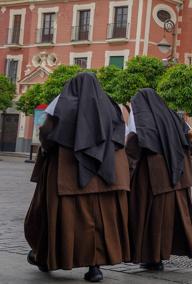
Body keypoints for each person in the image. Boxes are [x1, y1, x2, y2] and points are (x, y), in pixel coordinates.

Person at [24, 72, 130, 282]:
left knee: (59, 217)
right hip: (104, 177)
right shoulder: (111, 107)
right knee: (99, 222)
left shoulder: (61, 103)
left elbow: (46, 132)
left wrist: (48, 148)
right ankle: (95, 268)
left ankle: (46, 257)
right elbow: (121, 136)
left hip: (68, 174)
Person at [126, 88, 192, 271]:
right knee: (177, 217)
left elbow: (132, 149)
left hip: (154, 181)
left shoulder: (141, 121)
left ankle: (154, 259)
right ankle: (186, 248)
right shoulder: (173, 118)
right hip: (179, 179)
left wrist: (127, 173)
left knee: (154, 218)